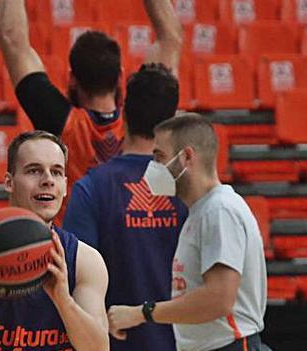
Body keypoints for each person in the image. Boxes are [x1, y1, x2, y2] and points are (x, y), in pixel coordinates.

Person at [0, 0, 184, 216]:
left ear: (72, 79)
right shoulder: (145, 109)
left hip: (75, 249)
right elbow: (171, 38)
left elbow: (12, 41)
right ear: (121, 75)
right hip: (134, 232)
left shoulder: (62, 122)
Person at [0, 130, 110, 351]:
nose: (47, 180)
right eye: (34, 171)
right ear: (9, 182)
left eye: (56, 172)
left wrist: (64, 301)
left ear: (65, 186)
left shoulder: (85, 260)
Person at [108, 114, 268, 351]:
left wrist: (142, 313)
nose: (153, 167)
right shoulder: (202, 211)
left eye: (159, 157)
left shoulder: (219, 210)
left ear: (186, 157)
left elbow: (219, 298)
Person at [63, 63, 187, 350]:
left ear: (124, 113)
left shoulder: (91, 189)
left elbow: (74, 282)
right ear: (172, 122)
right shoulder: (189, 190)